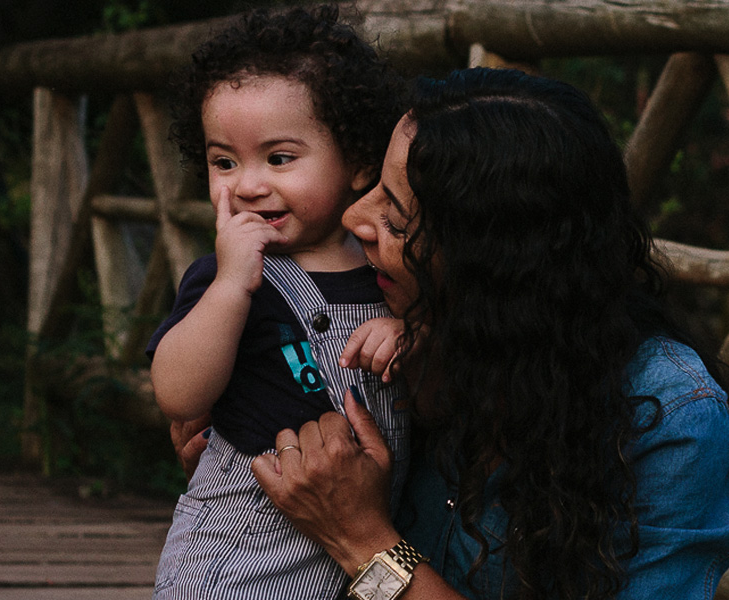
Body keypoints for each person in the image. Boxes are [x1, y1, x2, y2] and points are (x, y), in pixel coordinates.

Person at [251, 67, 729, 600]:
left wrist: (364, 542)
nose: (354, 216)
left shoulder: (672, 421)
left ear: (494, 267)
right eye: (374, 189)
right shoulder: (412, 336)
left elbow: (353, 530)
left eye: (398, 220)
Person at [146, 6, 410, 599]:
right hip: (230, 569)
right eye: (224, 162)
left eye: (280, 158)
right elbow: (178, 392)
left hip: (351, 567)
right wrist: (231, 289)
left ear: (360, 161)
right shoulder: (228, 277)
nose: (246, 184)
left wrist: (405, 332)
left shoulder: (389, 276)